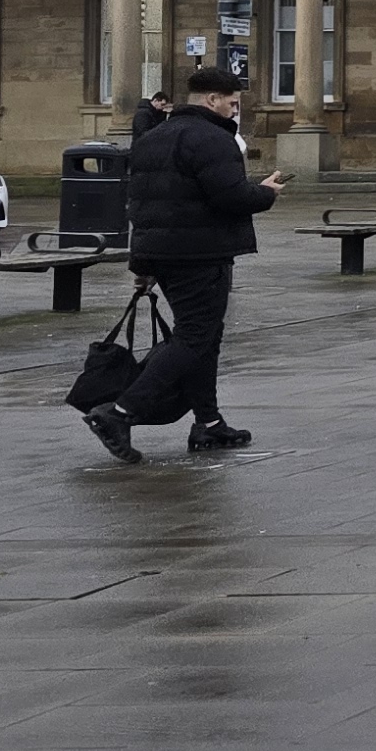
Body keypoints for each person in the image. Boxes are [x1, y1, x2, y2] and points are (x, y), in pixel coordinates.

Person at [89, 65, 282, 461]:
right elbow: (229, 197)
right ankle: (120, 412)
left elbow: (141, 208)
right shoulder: (212, 139)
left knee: (204, 338)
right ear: (211, 100)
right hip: (201, 253)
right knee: (195, 336)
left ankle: (208, 423)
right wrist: (265, 193)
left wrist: (141, 267)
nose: (234, 111)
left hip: (164, 254)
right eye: (232, 103)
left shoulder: (150, 139)